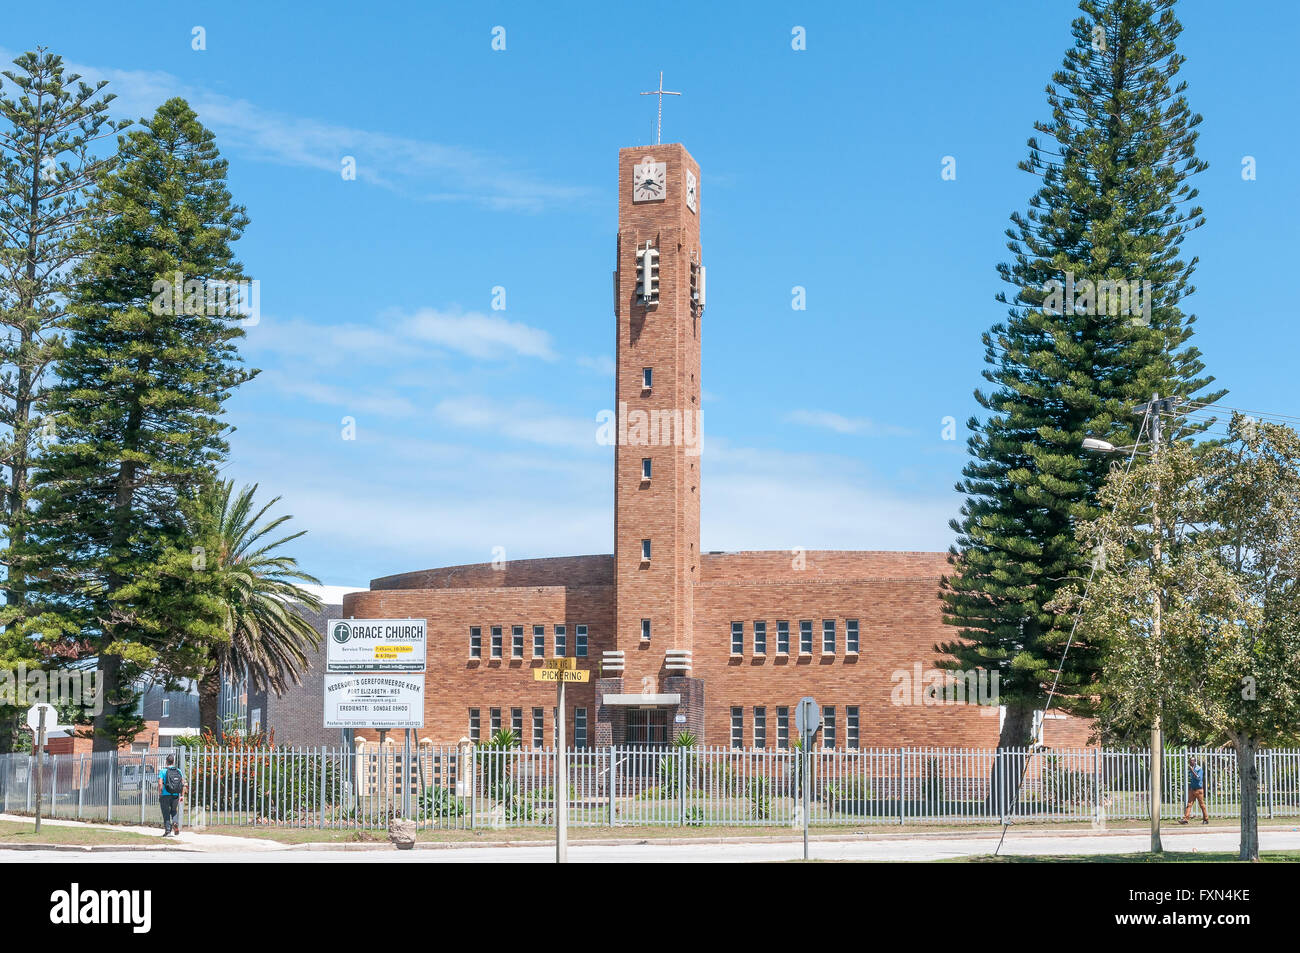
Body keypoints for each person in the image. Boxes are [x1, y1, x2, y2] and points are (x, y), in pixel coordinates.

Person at [158, 753, 185, 836]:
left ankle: (168, 831)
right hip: (175, 794)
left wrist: (160, 793)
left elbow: (160, 783)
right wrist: (182, 795)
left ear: (166, 761)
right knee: (174, 810)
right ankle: (175, 822)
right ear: (173, 762)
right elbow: (182, 783)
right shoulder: (178, 771)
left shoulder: (163, 771)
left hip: (165, 794)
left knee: (166, 812)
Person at [1179, 755, 1209, 825]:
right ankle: (1185, 819)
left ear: (1195, 762)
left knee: (1201, 804)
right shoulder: (1191, 769)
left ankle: (1206, 819)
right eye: (1189, 761)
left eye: (1192, 761)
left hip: (1199, 790)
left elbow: (1198, 778)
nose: (1190, 762)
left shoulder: (1199, 769)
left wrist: (1192, 770)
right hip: (1192, 789)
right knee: (1189, 804)